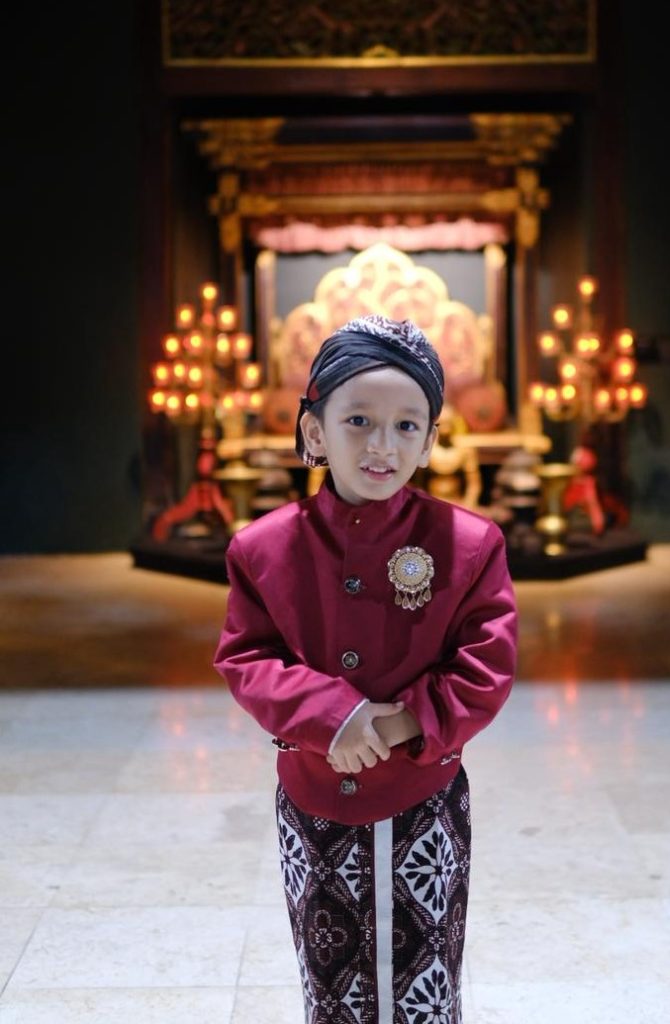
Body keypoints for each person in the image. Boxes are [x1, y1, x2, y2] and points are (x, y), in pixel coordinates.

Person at [214, 313, 518, 1024]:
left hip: (424, 795)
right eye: (358, 421)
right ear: (314, 431)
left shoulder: (470, 544)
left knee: (425, 980)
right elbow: (246, 656)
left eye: (407, 426)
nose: (383, 445)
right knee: (331, 983)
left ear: (431, 441)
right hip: (312, 796)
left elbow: (486, 665)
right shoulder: (262, 548)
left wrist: (401, 722)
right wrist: (334, 717)